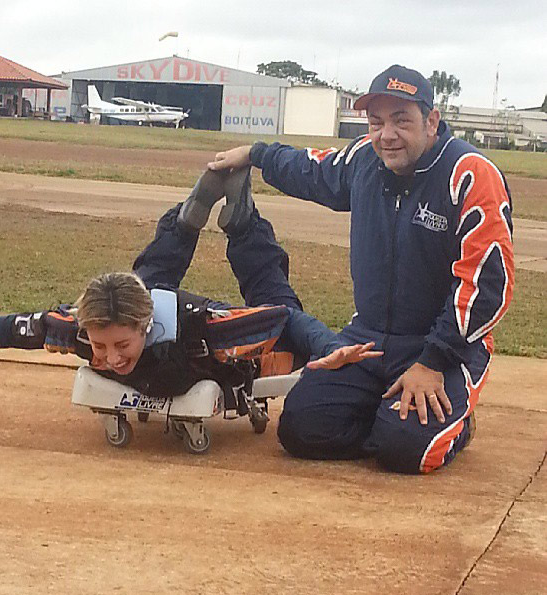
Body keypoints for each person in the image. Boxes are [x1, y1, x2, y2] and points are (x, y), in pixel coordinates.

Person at [207, 64, 515, 474]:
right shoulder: (365, 160)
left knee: (407, 452)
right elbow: (312, 170)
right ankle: (389, 418)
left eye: (401, 121)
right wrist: (256, 154)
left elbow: (487, 281)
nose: (387, 135)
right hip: (368, 338)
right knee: (301, 429)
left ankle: (445, 425)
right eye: (376, 122)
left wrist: (434, 361)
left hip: (441, 347)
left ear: (432, 121)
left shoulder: (470, 174)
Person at [0, 169, 381, 411]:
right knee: (148, 275)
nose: (109, 358)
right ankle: (186, 220)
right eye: (99, 344)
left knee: (277, 300)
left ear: (146, 326)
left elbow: (284, 319)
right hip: (146, 295)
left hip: (193, 321)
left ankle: (242, 224)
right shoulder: (74, 326)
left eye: (121, 345)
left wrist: (329, 347)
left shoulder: (209, 330)